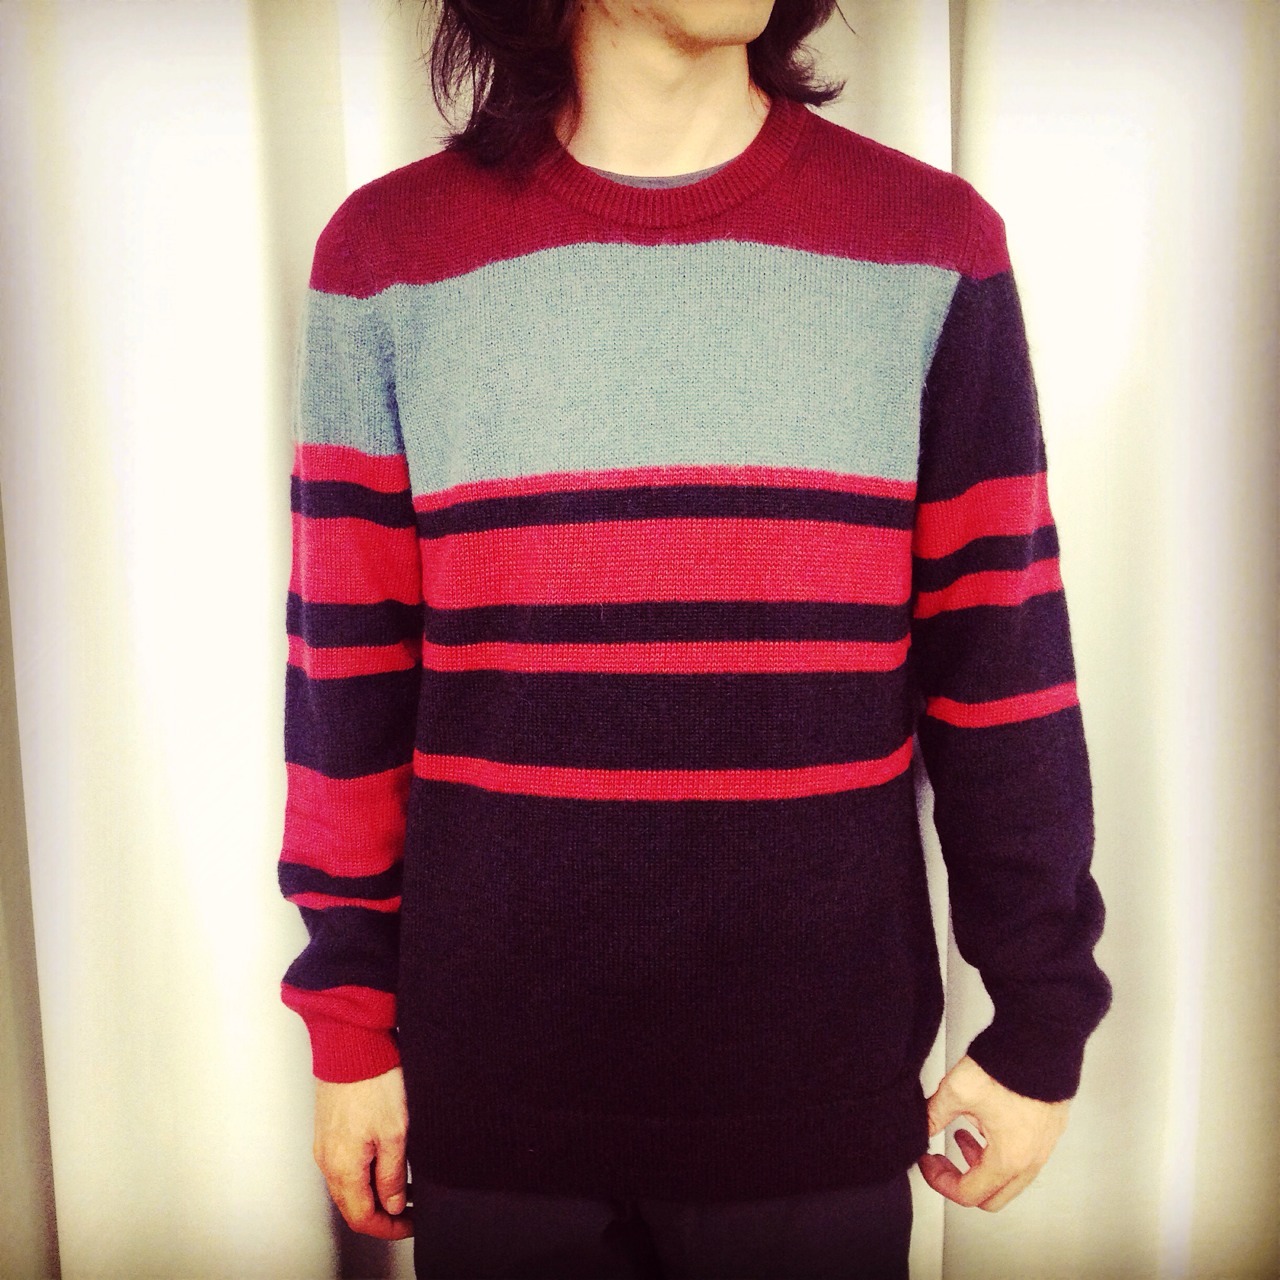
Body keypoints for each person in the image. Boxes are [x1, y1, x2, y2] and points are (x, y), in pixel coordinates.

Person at [278, 1, 1112, 1275]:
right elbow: (348, 674)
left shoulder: (930, 246)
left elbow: (999, 663)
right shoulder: (388, 256)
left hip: (812, 1106)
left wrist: (1038, 1015)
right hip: (494, 1103)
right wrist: (348, 1024)